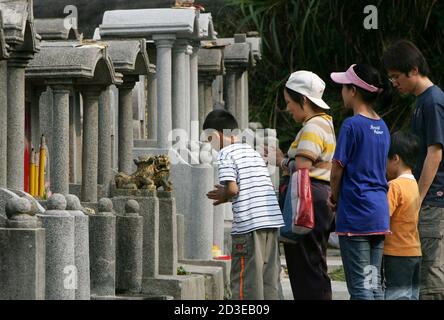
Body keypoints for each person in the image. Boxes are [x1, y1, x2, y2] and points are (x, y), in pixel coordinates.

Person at [382, 40, 444, 300]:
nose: (395, 83)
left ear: (414, 70)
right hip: (425, 198)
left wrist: (417, 198)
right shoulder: (420, 101)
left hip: (433, 200)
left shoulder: (432, 102)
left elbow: (435, 152)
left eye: (397, 77)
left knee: (431, 273)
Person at [268, 71, 336, 300]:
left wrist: (280, 160)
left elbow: (302, 166)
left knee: (306, 266)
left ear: (304, 100)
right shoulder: (324, 123)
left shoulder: (313, 126)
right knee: (311, 263)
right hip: (316, 196)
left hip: (307, 197)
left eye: (289, 102)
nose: (288, 109)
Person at [204, 109, 284, 300]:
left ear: (216, 135)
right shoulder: (252, 152)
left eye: (208, 139)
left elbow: (232, 189)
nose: (210, 145)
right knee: (269, 278)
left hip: (248, 227)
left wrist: (224, 194)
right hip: (271, 224)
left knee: (245, 279)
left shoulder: (225, 154)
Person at [328, 63, 392, 300]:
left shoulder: (352, 125)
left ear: (353, 90)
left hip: (356, 214)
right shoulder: (382, 126)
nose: (341, 92)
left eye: (344, 87)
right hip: (378, 214)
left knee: (361, 289)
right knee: (373, 285)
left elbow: (336, 171)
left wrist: (334, 198)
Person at [384, 131, 422, 300]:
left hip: (396, 253)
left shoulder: (394, 186)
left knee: (396, 296)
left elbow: (383, 217)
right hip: (415, 252)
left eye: (386, 159)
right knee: (411, 295)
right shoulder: (414, 185)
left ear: (396, 159)